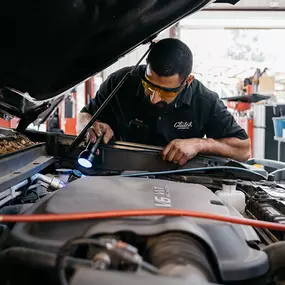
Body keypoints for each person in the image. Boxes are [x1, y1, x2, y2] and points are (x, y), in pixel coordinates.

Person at [77, 38, 251, 166]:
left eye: (166, 92)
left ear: (187, 81)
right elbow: (85, 115)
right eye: (148, 85)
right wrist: (91, 126)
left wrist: (199, 143)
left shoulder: (204, 101)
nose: (154, 98)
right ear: (146, 67)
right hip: (118, 171)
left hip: (177, 181)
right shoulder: (121, 82)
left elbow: (244, 151)